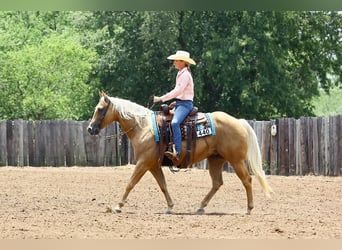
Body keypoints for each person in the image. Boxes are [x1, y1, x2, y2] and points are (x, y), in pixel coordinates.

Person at [154, 50, 196, 164]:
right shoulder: (181, 73)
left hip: (185, 105)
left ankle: (177, 152)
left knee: (175, 123)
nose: (174, 62)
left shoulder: (185, 75)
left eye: (176, 60)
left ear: (183, 62)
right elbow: (181, 93)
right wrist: (176, 102)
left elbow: (178, 90)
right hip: (181, 103)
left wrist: (162, 98)